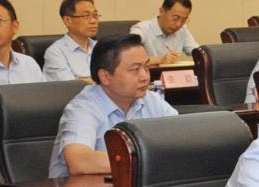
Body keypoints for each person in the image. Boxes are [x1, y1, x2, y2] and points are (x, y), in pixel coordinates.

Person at [47, 36, 178, 179]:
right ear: (105, 77)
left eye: (146, 67)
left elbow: (181, 140)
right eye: (135, 69)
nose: (145, 77)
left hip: (136, 186)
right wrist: (146, 159)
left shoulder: (152, 100)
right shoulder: (83, 108)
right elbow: (79, 161)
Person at [42, 0, 101, 81]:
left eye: (95, 15)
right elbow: (70, 86)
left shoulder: (101, 48)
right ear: (68, 21)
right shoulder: (55, 52)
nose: (93, 21)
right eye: (86, 16)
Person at [129, 0, 198, 65]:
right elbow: (129, 57)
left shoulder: (183, 30)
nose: (178, 24)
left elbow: (199, 53)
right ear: (162, 11)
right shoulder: (141, 29)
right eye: (175, 18)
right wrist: (159, 60)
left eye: (184, 20)